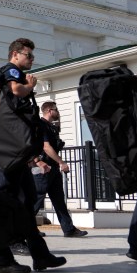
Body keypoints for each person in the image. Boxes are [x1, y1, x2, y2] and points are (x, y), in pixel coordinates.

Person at [0, 38, 67, 273]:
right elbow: (17, 90)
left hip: (15, 149)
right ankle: (1, 258)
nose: (32, 59)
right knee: (7, 201)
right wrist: (29, 85)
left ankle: (41, 256)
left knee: (27, 201)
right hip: (11, 149)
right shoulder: (11, 70)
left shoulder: (11, 71)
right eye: (28, 55)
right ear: (16, 54)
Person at [34, 100, 88, 238]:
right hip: (43, 168)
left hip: (52, 169)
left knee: (59, 200)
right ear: (49, 111)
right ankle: (24, 230)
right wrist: (62, 162)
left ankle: (69, 229)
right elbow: (46, 147)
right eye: (56, 110)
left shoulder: (50, 127)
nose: (58, 112)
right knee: (36, 201)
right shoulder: (41, 125)